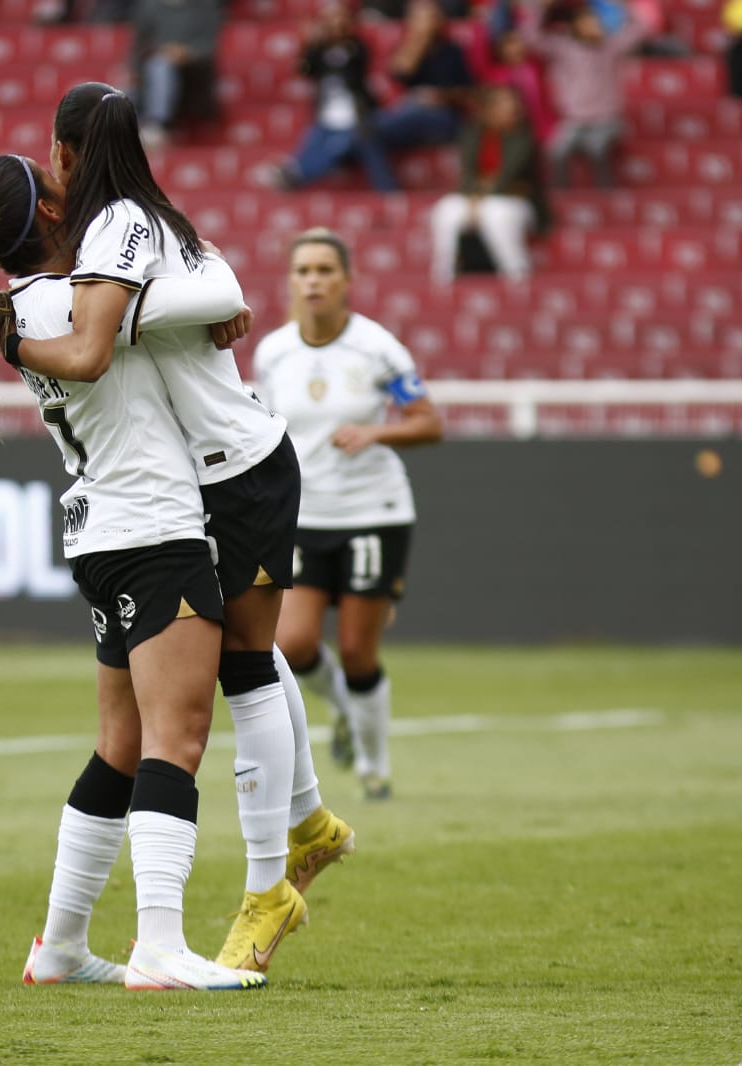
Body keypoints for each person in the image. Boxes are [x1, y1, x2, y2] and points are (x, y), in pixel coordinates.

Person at [12, 83, 355, 977]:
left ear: (65, 152)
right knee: (246, 657)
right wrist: (191, 303)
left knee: (242, 667)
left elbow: (136, 320)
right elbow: (205, 291)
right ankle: (307, 824)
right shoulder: (127, 228)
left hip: (235, 467)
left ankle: (268, 886)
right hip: (206, 474)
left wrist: (167, 305)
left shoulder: (120, 222)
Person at [0, 152, 267, 992]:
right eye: (60, 181)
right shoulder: (86, 297)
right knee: (177, 737)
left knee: (120, 745)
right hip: (154, 529)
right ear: (47, 209)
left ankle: (63, 945)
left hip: (100, 531)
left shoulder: (30, 308)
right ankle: (159, 945)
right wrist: (224, 308)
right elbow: (194, 298)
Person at [255, 228, 443, 801]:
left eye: (325, 271)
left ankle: (373, 765)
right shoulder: (273, 353)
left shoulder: (377, 349)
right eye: (303, 271)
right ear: (291, 281)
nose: (313, 281)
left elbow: (428, 422)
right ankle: (342, 710)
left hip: (372, 513)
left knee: (360, 649)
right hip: (304, 517)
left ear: (347, 280)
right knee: (293, 643)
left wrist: (377, 430)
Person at [515, 0, 648, 186]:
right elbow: (529, 37)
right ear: (574, 27)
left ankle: (606, 194)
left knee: (597, 149)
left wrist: (622, 5)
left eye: (596, 22)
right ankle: (562, 195)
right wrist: (540, 9)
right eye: (586, 23)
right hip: (573, 120)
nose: (593, 27)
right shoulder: (562, 47)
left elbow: (640, 30)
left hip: (607, 119)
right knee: (557, 150)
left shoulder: (611, 46)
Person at [428, 84, 548, 283]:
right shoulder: (472, 134)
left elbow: (508, 175)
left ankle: (516, 275)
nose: (512, 109)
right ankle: (444, 276)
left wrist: (480, 195)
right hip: (476, 198)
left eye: (513, 103)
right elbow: (467, 174)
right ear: (487, 109)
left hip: (514, 199)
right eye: (503, 104)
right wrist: (476, 198)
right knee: (446, 210)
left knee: (496, 214)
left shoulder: (523, 137)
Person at [271, 2, 396, 192]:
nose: (337, 24)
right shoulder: (319, 52)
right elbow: (304, 70)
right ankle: (293, 172)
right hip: (326, 118)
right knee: (312, 143)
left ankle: (295, 177)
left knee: (337, 148)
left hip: (355, 118)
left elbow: (354, 72)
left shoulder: (356, 49)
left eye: (341, 19)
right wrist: (309, 43)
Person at [372, 0, 475, 159]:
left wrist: (440, 96)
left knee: (370, 130)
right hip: (408, 113)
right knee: (370, 137)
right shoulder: (405, 47)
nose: (427, 22)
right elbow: (401, 72)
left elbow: (469, 94)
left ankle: (362, 133)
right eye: (421, 17)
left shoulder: (453, 51)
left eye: (431, 16)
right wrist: (421, 38)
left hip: (443, 115)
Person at [129, 0, 222, 148]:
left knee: (161, 65)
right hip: (151, 71)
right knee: (125, 92)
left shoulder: (206, 6)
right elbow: (138, 47)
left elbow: (208, 48)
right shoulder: (149, 7)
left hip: (193, 78)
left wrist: (185, 54)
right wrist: (133, 71)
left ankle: (157, 124)